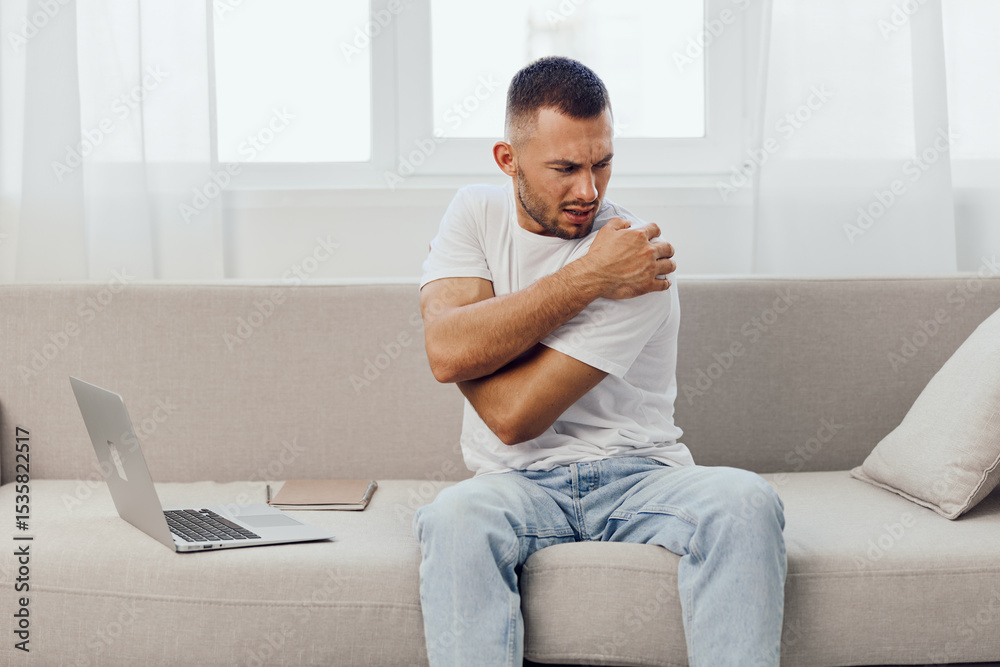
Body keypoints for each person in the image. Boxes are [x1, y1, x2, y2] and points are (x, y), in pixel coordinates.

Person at [414, 56, 786, 667]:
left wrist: (470, 342)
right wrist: (587, 276)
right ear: (508, 160)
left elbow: (513, 415)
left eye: (602, 163)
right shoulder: (477, 214)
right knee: (454, 517)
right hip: (514, 485)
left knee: (745, 501)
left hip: (639, 476)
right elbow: (447, 354)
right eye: (565, 168)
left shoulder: (637, 256)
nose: (588, 191)